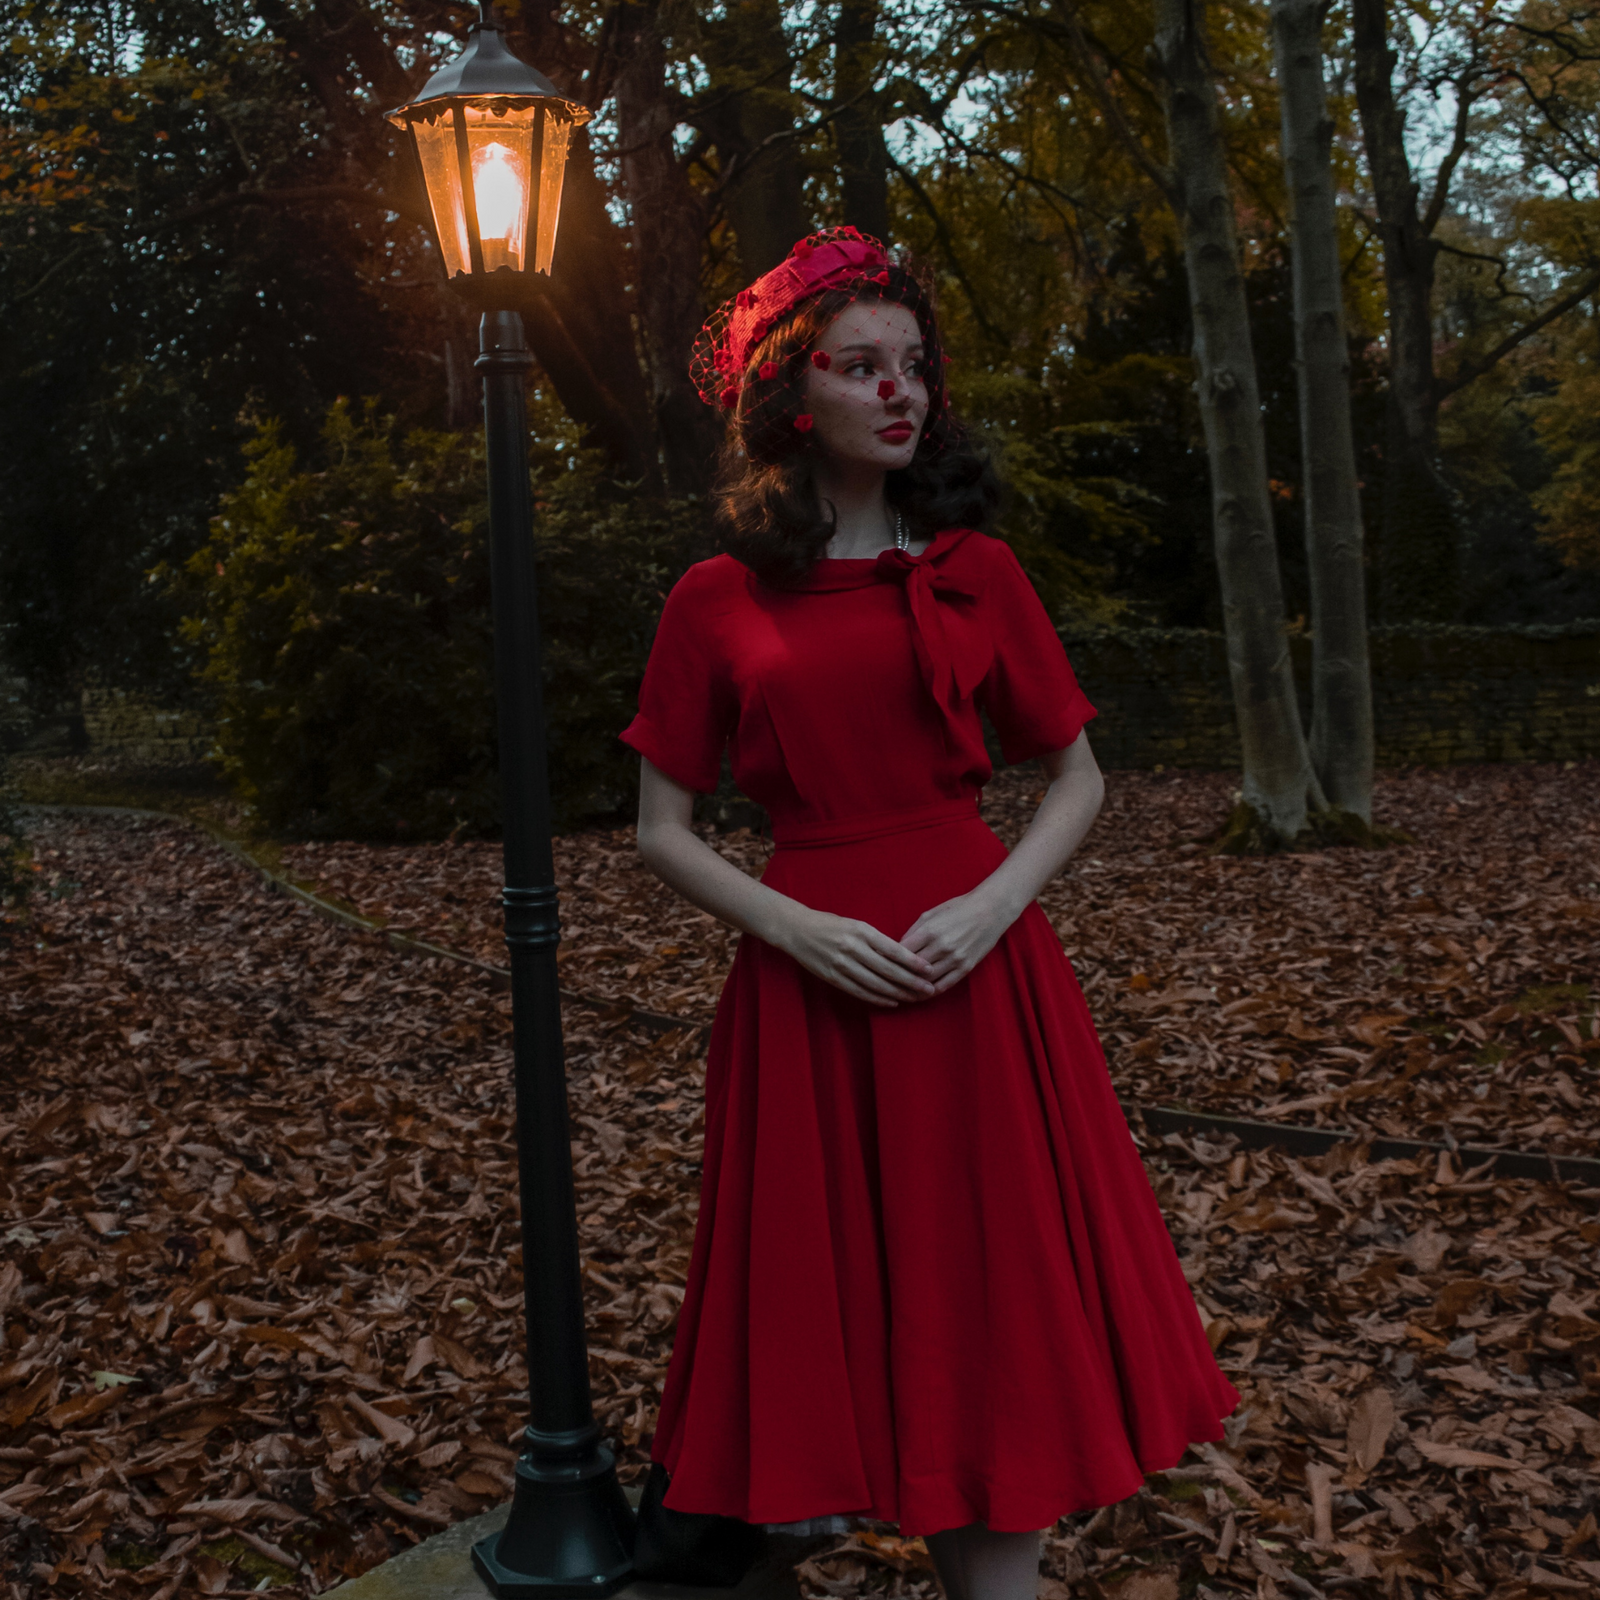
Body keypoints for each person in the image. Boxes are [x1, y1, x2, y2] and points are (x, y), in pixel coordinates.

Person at [619, 227, 1237, 1599]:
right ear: (792, 394)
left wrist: (994, 903)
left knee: (995, 1294)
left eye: (912, 366)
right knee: (838, 1293)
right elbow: (661, 829)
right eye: (860, 366)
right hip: (810, 987)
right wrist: (792, 928)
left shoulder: (979, 569)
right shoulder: (716, 599)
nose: (899, 390)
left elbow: (1077, 776)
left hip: (981, 979)